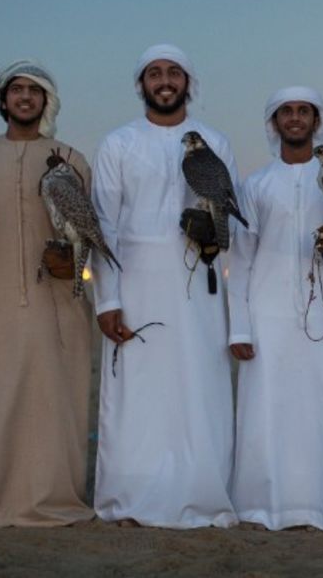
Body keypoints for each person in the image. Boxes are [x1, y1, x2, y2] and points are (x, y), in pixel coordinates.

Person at [0, 60, 95, 529]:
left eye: (34, 90)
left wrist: (75, 268)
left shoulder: (71, 157)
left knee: (54, 403)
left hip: (57, 304)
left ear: (47, 101)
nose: (24, 97)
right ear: (3, 100)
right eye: (16, 90)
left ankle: (50, 497)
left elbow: (87, 232)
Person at [91, 44, 238, 529]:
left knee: (199, 384)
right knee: (137, 391)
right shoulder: (118, 143)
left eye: (174, 72)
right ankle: (129, 497)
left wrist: (214, 237)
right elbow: (104, 227)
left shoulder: (214, 141)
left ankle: (201, 491)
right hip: (134, 282)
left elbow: (231, 219)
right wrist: (108, 299)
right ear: (142, 85)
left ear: (188, 83)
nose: (165, 80)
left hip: (197, 282)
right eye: (155, 73)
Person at [227, 87, 323, 532]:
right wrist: (240, 328)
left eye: (304, 111)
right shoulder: (256, 184)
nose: (296, 118)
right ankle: (260, 506)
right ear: (275, 122)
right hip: (266, 313)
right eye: (288, 111)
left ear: (316, 121)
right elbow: (241, 259)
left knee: (319, 403)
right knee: (266, 407)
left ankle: (320, 505)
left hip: (321, 312)